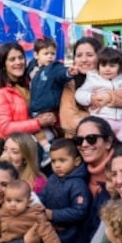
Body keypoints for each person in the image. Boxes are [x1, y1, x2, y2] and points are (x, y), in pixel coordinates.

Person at [59, 37, 122, 138]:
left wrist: (108, 97)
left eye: (90, 55)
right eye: (79, 56)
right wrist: (101, 119)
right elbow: (68, 121)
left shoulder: (116, 78)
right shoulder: (70, 82)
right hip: (82, 144)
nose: (84, 60)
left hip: (119, 139)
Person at [75, 46, 122, 145]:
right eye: (103, 65)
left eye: (112, 66)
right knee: (104, 147)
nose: (107, 69)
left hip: (120, 121)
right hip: (101, 121)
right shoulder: (93, 79)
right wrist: (90, 97)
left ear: (119, 67)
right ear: (98, 66)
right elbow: (79, 94)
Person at [0, 42, 56, 143]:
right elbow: (5, 128)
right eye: (12, 59)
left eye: (21, 58)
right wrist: (38, 123)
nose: (18, 62)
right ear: (3, 65)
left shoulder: (32, 82)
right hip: (19, 146)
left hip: (45, 137)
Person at [28, 37, 75, 165]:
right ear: (36, 55)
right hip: (35, 107)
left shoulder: (54, 68)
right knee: (37, 131)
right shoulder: (33, 68)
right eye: (46, 53)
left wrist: (68, 73)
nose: (50, 57)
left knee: (42, 132)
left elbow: (61, 73)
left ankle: (47, 150)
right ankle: (46, 149)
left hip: (47, 107)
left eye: (52, 54)